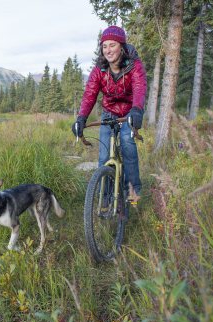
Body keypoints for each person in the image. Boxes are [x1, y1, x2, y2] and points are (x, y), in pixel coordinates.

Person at [72, 25, 147, 200]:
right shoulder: (99, 69)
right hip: (109, 114)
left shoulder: (134, 65)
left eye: (112, 45)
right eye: (104, 46)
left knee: (128, 148)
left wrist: (137, 110)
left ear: (121, 46)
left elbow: (139, 87)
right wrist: (81, 117)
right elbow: (90, 93)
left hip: (128, 113)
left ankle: (133, 193)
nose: (108, 50)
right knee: (104, 156)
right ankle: (104, 198)